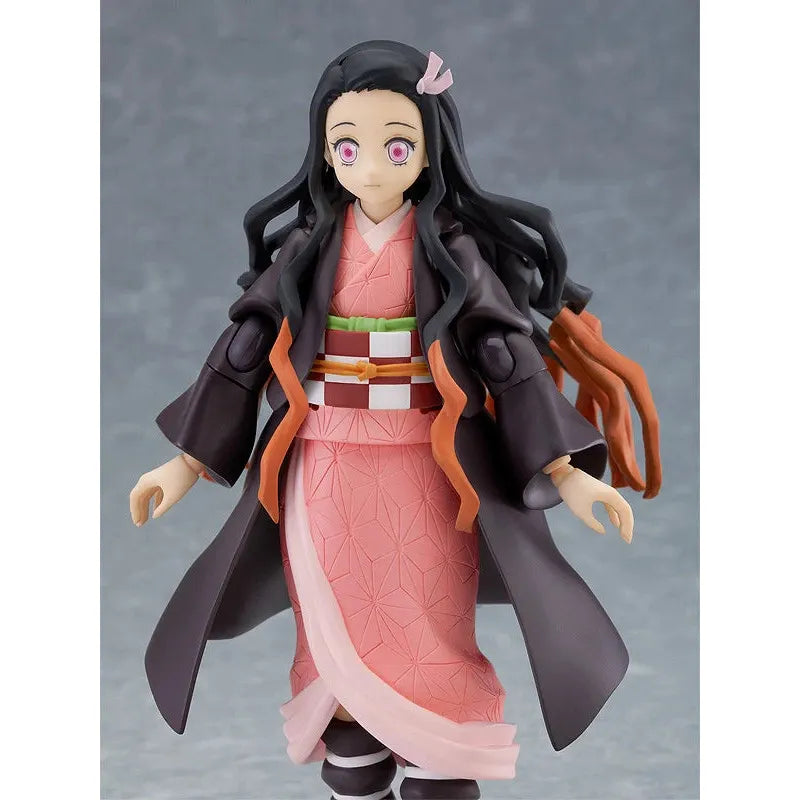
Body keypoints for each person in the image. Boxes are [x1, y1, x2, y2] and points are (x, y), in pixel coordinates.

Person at [130, 40, 660, 800]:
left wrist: (564, 471)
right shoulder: (309, 250)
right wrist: (185, 460)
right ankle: (352, 737)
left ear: (430, 149)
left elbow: (505, 357)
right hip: (325, 466)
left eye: (397, 145)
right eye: (348, 146)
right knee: (333, 612)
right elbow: (245, 348)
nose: (372, 167)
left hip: (428, 469)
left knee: (428, 617)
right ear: (325, 152)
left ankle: (441, 751)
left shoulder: (449, 253)